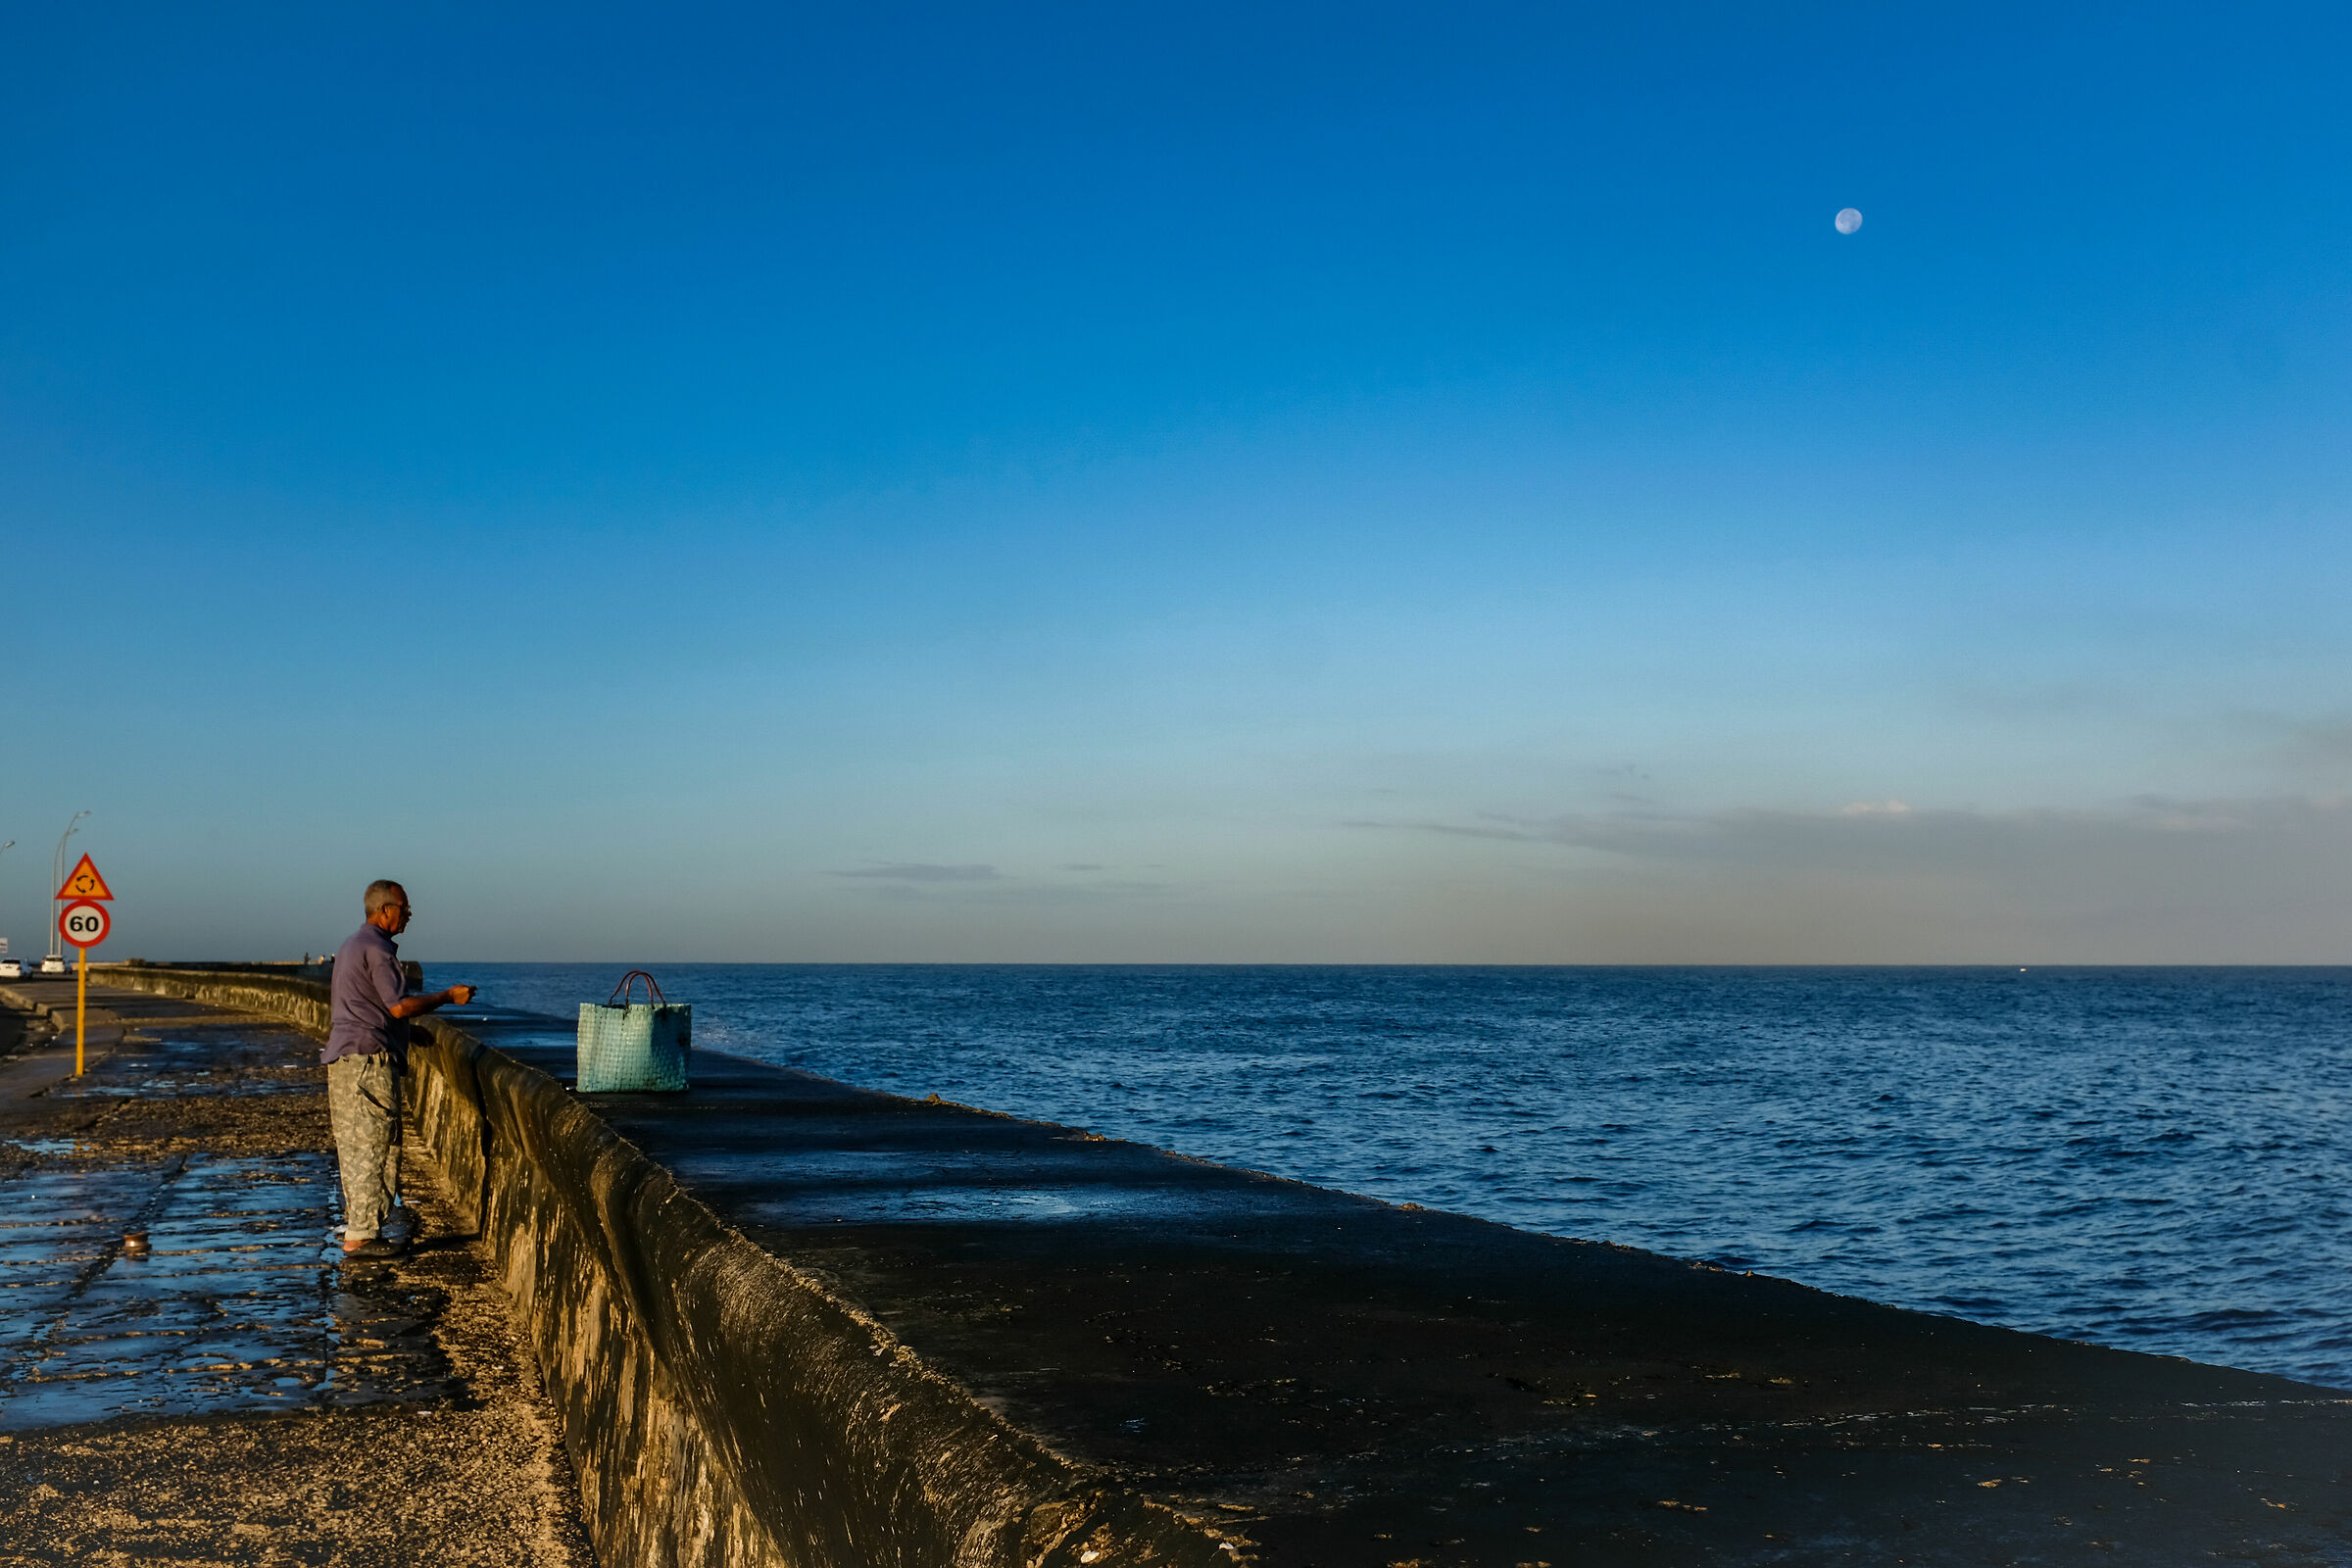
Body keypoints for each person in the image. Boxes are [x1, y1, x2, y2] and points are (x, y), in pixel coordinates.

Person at [325, 880, 475, 1259]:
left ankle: (359, 1228)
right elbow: (396, 1006)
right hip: (368, 1063)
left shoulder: (350, 946)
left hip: (345, 1061)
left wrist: (409, 1033)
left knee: (356, 1147)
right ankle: (361, 1236)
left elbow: (365, 1006)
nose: (408, 915)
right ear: (385, 910)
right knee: (375, 1146)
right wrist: (447, 997)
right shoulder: (377, 950)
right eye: (404, 908)